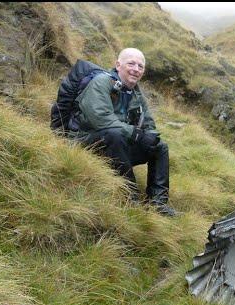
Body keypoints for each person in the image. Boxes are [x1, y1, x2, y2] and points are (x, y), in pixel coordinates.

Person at [72, 48, 178, 217]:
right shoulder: (101, 82)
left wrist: (149, 136)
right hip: (84, 142)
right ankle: (130, 197)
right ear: (118, 65)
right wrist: (135, 134)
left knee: (160, 147)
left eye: (141, 66)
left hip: (115, 146)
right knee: (115, 134)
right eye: (131, 63)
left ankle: (158, 203)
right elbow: (101, 119)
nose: (136, 69)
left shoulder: (135, 92)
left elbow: (148, 122)